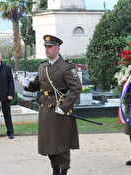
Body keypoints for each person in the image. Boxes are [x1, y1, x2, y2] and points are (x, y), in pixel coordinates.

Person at [22, 35, 82, 175]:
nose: (47, 49)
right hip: (45, 110)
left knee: (61, 141)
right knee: (48, 141)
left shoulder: (67, 66)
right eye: (45, 47)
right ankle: (54, 168)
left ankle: (63, 170)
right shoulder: (42, 66)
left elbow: (76, 88)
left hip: (59, 109)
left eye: (50, 47)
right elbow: (36, 85)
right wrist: (27, 85)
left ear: (57, 48)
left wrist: (64, 107)